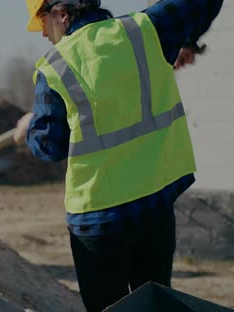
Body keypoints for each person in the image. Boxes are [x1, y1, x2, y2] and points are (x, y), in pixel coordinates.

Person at [15, 0, 224, 311]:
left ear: (61, 13)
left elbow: (50, 146)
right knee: (156, 305)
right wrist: (185, 38)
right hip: (155, 205)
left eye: (43, 22)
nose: (44, 34)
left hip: (98, 221)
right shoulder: (146, 30)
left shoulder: (55, 66)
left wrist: (30, 128)